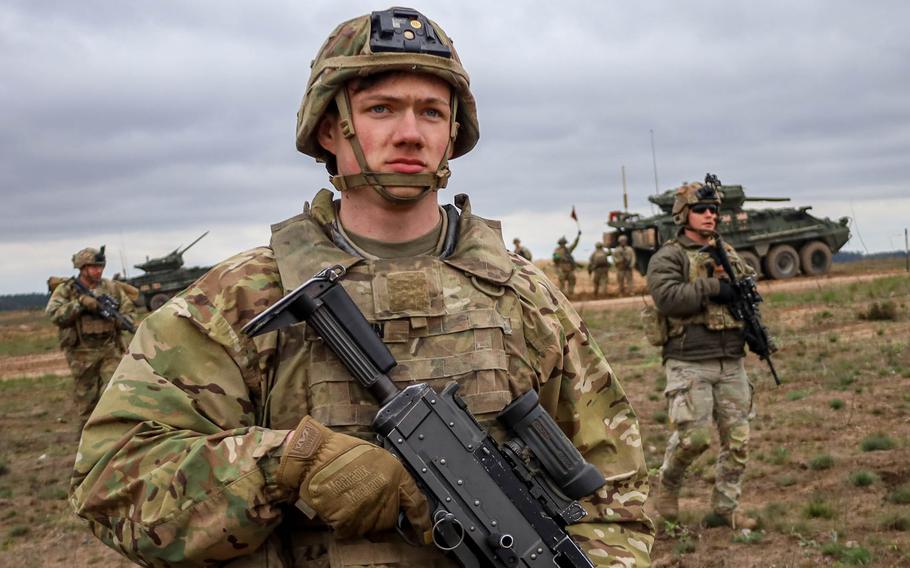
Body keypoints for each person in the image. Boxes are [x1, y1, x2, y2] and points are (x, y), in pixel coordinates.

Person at [70, 8, 654, 567]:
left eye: (430, 112)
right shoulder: (241, 298)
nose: (409, 134)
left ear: (453, 134)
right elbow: (111, 481)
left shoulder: (524, 297)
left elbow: (615, 493)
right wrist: (284, 465)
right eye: (381, 109)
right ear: (330, 128)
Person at [646, 181, 758, 530]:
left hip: (730, 361)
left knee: (738, 442)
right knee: (694, 439)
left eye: (713, 210)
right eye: (701, 209)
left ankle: (726, 510)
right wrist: (712, 287)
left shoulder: (727, 253)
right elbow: (668, 298)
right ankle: (667, 487)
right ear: (684, 215)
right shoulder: (670, 256)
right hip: (689, 360)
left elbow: (746, 293)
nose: (710, 215)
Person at [45, 246, 135, 430]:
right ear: (83, 268)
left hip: (110, 349)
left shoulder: (111, 287)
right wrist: (80, 304)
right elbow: (55, 315)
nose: (99, 271)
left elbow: (128, 311)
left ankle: (114, 437)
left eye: (101, 267)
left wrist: (119, 320)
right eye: (94, 267)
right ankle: (87, 444)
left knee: (115, 392)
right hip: (81, 354)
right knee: (87, 402)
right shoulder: (67, 289)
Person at [552, 231, 580, 296]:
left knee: (562, 285)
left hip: (562, 270)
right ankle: (570, 295)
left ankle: (564, 297)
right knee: (571, 283)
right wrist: (578, 237)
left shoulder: (556, 251)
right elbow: (574, 245)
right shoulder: (567, 250)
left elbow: (555, 261)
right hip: (568, 270)